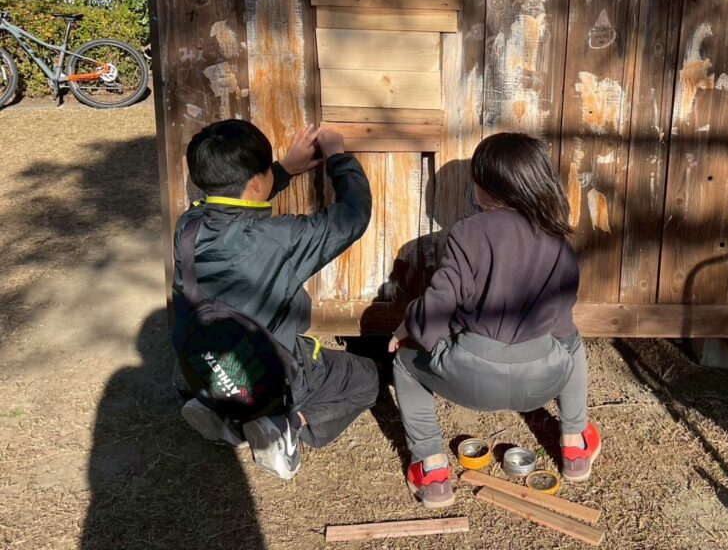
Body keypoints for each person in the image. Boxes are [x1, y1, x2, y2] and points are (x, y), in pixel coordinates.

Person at [389, 132, 600, 508]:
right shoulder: (558, 241)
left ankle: (432, 470)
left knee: (405, 364)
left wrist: (411, 327)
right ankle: (575, 445)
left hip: (471, 380)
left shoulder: (467, 233)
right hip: (543, 380)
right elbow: (562, 325)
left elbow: (436, 309)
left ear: (486, 186)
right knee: (572, 343)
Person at [172, 119, 379, 480]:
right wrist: (337, 156)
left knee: (232, 365)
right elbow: (352, 216)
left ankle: (219, 412)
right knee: (365, 378)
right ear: (256, 182)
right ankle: (284, 425)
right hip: (271, 375)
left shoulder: (188, 225)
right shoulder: (278, 238)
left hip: (204, 364)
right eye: (267, 172)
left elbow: (236, 207)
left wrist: (283, 169)